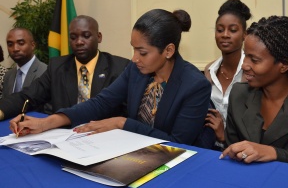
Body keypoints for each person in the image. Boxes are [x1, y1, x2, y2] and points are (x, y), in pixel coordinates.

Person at [10, 9, 212, 147]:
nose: (134, 58)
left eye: (142, 52)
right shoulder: (135, 70)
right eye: (133, 49)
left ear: (168, 51)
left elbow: (177, 143)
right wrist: (48, 123)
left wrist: (122, 123)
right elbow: (101, 102)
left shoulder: (195, 85)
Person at [219, 15, 288, 169]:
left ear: (284, 65)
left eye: (254, 60)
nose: (244, 65)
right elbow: (232, 154)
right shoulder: (239, 95)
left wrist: (275, 153)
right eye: (245, 56)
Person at [0, 15, 130, 120]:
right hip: (65, 138)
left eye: (86, 36)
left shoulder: (119, 67)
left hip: (104, 140)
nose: (79, 42)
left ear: (99, 37)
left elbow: (126, 113)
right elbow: (28, 96)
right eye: (73, 37)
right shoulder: (57, 67)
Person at [204, 0, 251, 150]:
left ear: (244, 34)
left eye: (232, 30)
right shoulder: (209, 70)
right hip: (210, 148)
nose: (225, 35)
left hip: (242, 151)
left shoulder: (251, 71)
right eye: (220, 29)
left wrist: (225, 135)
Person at [3, 28, 47, 98]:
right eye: (10, 44)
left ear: (33, 45)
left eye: (21, 43)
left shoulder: (45, 72)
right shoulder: (8, 75)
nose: (15, 49)